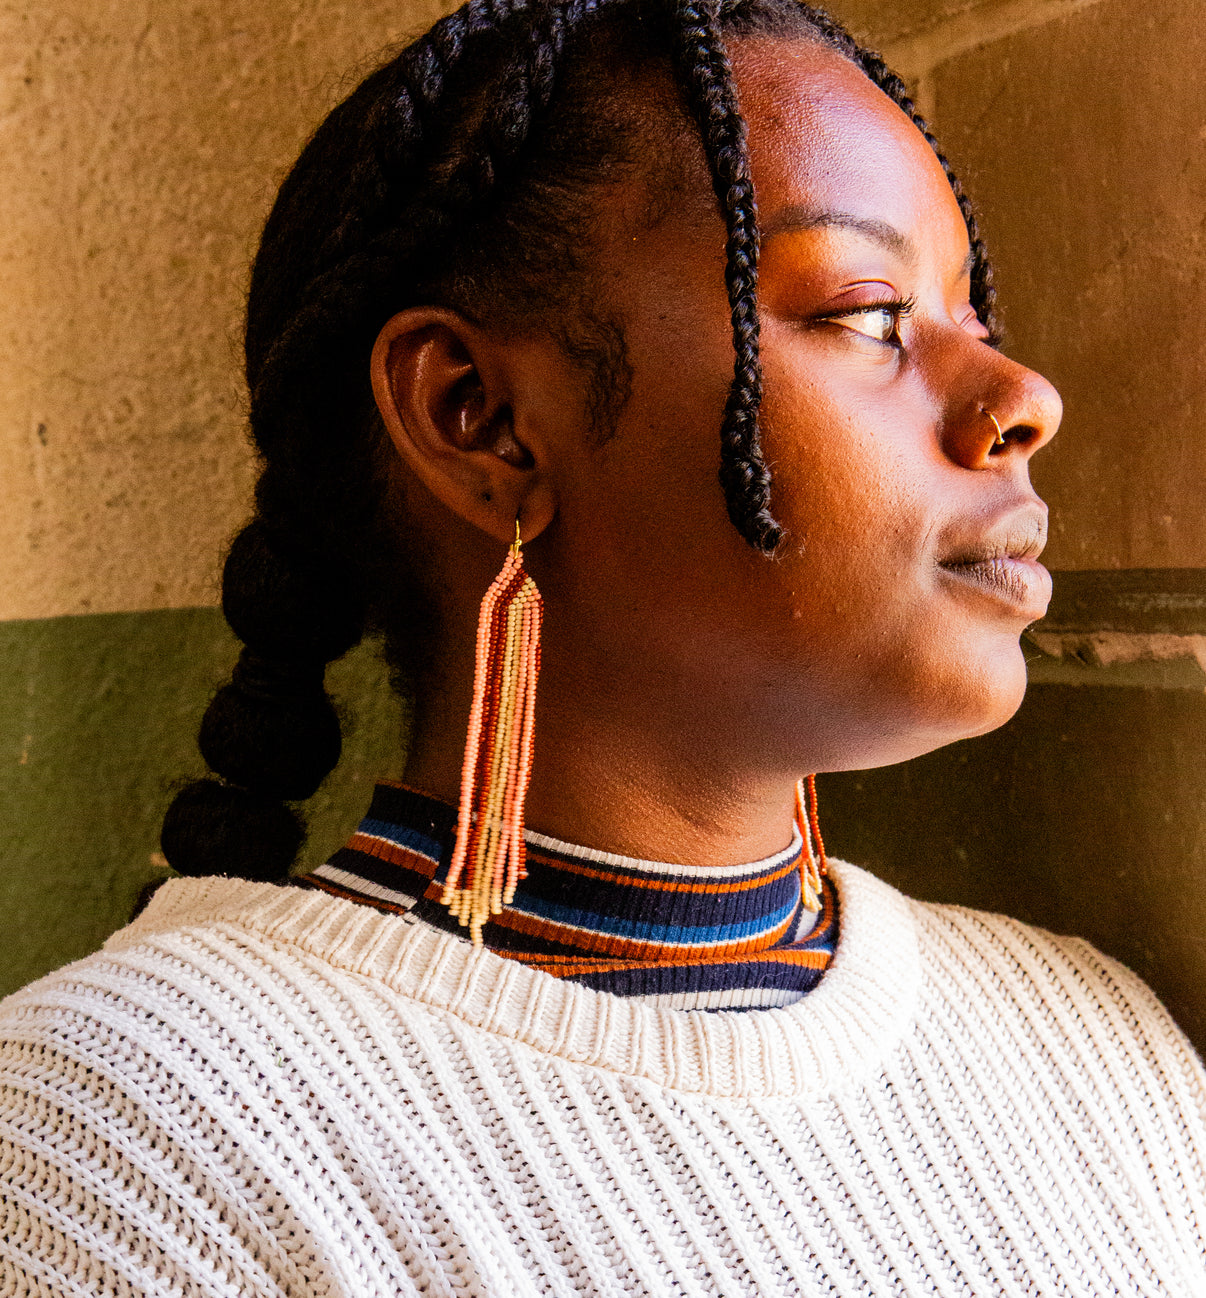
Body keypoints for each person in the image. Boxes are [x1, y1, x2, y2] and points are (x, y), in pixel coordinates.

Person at [2, 1, 1204, 1293]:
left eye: (977, 319)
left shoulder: (1102, 1052)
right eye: (868, 313)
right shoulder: (114, 1148)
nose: (1023, 399)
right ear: (481, 418)